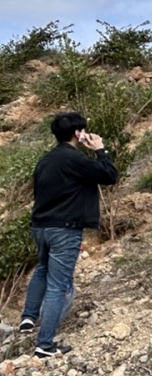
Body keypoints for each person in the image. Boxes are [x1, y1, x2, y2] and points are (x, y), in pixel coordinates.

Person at [20, 112, 118, 358]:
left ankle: (28, 318)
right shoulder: (73, 159)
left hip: (40, 226)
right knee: (59, 286)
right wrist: (100, 149)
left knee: (42, 269)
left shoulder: (45, 160)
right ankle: (45, 344)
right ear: (78, 133)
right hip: (64, 228)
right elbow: (109, 175)